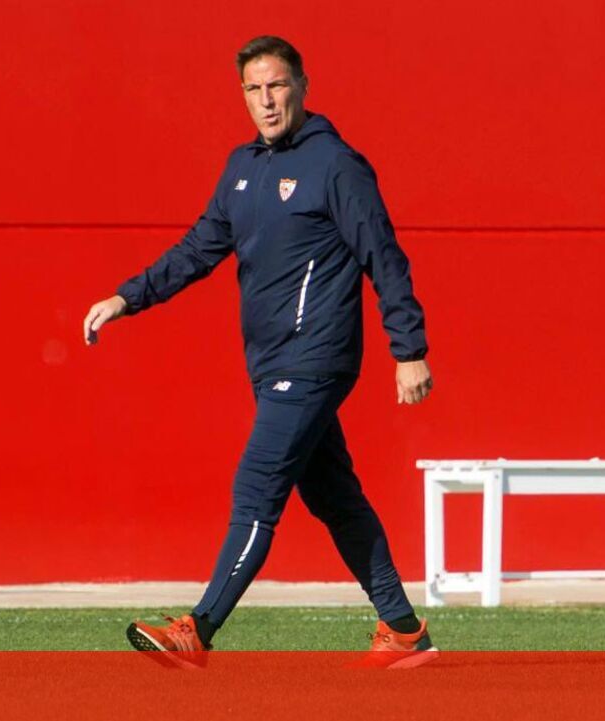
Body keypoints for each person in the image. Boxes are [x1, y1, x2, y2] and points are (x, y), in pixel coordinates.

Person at [82, 35, 436, 669]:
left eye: (276, 85)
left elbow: (384, 256)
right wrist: (127, 297)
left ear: (302, 86)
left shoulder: (335, 165)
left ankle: (198, 629)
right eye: (254, 89)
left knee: (256, 487)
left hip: (315, 357)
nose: (266, 100)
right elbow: (199, 249)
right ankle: (403, 630)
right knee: (333, 497)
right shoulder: (242, 168)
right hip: (271, 364)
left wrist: (408, 349)